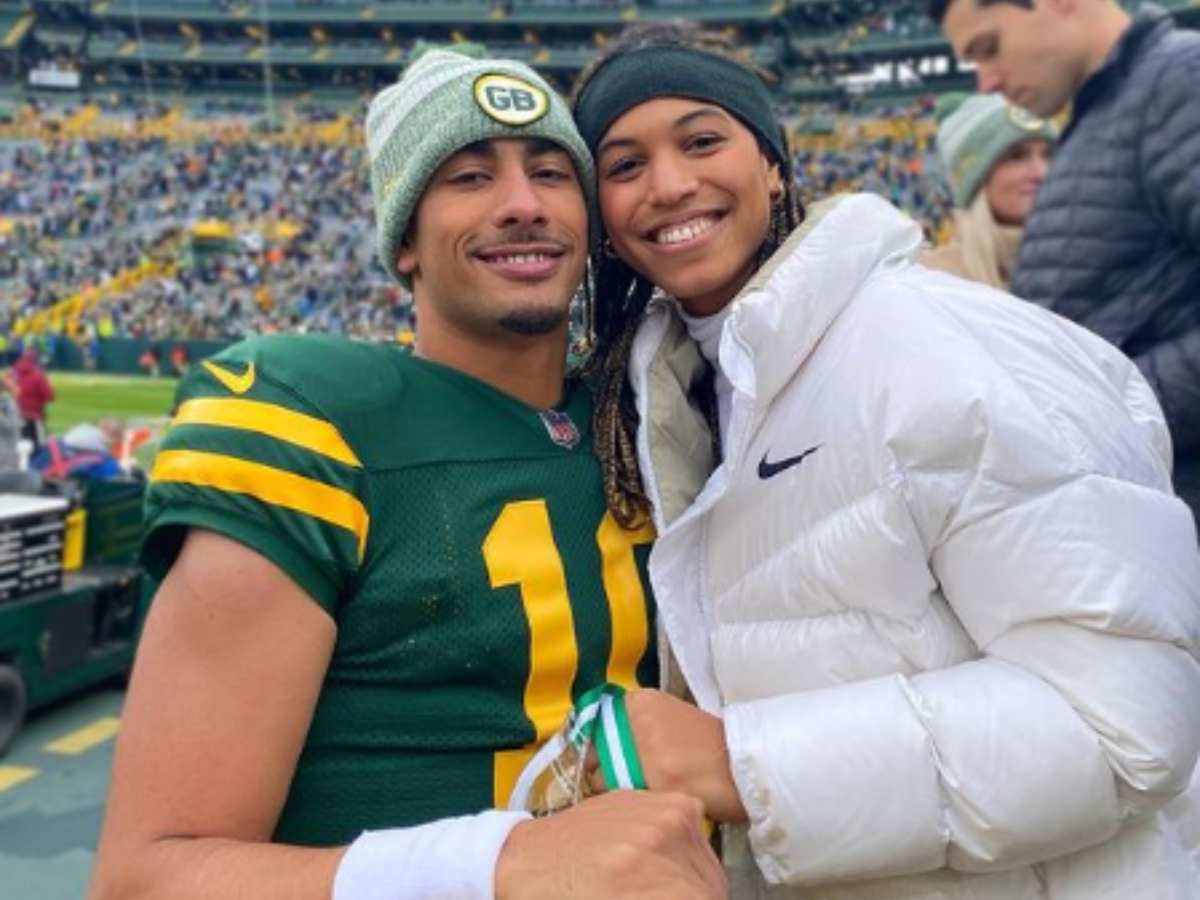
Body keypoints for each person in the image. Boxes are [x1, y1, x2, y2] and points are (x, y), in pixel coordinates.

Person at [570, 21, 1200, 899]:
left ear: (775, 165)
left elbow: (1124, 727)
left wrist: (738, 763)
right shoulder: (671, 402)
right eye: (624, 165)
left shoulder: (944, 344)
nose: (669, 185)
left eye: (702, 140)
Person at [89, 47, 724, 900]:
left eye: (549, 171)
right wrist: (488, 868)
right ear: (404, 244)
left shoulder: (649, 413)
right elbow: (146, 877)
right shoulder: (315, 426)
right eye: (467, 177)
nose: (522, 204)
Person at [931, 0, 1200, 524]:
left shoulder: (1177, 80)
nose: (985, 81)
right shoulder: (1110, 109)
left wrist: (1109, 410)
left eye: (990, 48)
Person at [921, 92, 1056, 290]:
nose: (1041, 172)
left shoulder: (1099, 262)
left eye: (1049, 155)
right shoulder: (934, 283)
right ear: (974, 180)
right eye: (1016, 156)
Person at [12, 347, 54, 455]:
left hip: (14, 415)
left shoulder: (13, 373)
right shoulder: (38, 375)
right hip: (33, 417)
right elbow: (49, 396)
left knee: (16, 446)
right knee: (36, 448)